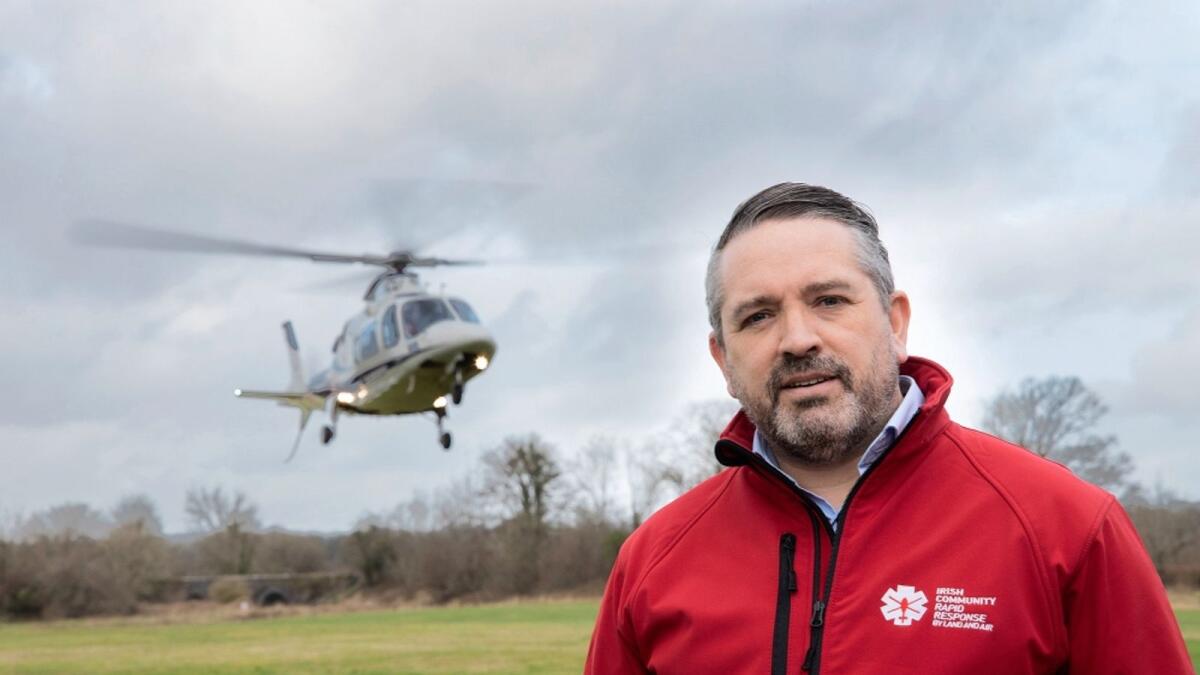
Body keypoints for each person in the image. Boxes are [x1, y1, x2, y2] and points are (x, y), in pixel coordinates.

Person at [585, 183, 1191, 674]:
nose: (798, 339)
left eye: (829, 300)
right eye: (759, 316)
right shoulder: (653, 562)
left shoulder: (1066, 529)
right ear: (723, 359)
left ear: (895, 323)